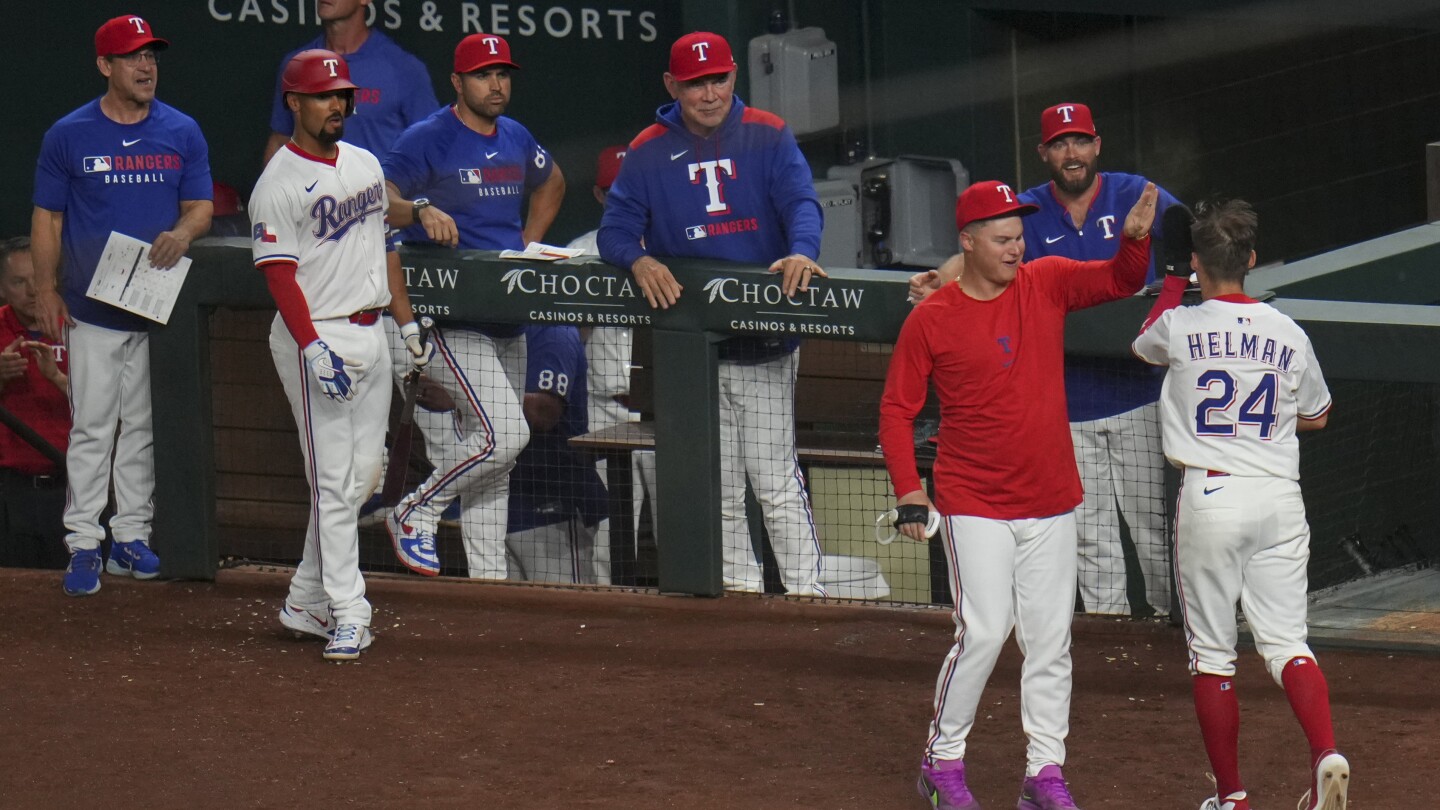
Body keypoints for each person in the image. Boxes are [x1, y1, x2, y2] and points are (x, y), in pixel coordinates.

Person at [882, 179, 1158, 810]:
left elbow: (1119, 280)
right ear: (968, 242)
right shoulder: (932, 319)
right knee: (984, 632)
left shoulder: (1047, 281)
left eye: (1019, 237)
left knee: (1049, 639)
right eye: (1002, 239)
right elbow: (896, 411)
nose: (1016, 248)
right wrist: (909, 491)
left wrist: (1134, 242)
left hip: (1051, 499)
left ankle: (1044, 771)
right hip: (973, 501)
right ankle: (942, 760)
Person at [911, 103, 1181, 617]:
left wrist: (1193, 284)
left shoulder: (1134, 192)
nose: (1070, 152)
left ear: (1096, 145)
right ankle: (1106, 638)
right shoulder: (1029, 209)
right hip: (1069, 404)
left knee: (1154, 527)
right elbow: (978, 249)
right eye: (1059, 144)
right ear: (1043, 153)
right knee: (1092, 538)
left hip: (1140, 394)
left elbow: (1192, 235)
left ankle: (1173, 627)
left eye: (1079, 141)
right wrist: (940, 278)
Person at [1132, 200, 1348, 810]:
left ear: (1198, 263)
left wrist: (1172, 278)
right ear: (1251, 259)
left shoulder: (1180, 324)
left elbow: (1142, 344)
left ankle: (1233, 798)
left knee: (1212, 656)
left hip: (1213, 496)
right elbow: (1318, 415)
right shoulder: (1289, 331)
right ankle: (1325, 752)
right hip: (1279, 496)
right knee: (1288, 644)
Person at [597, 31, 828, 596]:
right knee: (719, 487)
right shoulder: (648, 148)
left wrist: (803, 250)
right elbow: (614, 231)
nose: (709, 93)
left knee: (773, 483)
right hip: (691, 350)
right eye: (695, 83)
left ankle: (809, 597)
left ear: (733, 77)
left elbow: (802, 202)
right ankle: (741, 597)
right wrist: (639, 259)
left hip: (763, 342)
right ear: (672, 85)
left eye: (718, 79)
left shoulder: (768, 133)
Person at [250, 49, 429, 661]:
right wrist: (313, 348)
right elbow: (279, 276)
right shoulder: (277, 182)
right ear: (294, 102)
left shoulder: (364, 162)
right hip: (317, 336)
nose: (337, 105)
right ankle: (350, 610)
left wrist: (405, 325)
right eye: (324, 95)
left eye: (342, 95)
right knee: (331, 481)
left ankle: (305, 597)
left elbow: (386, 246)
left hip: (372, 330)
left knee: (361, 479)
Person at [32, 14, 213, 596]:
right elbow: (48, 217)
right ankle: (83, 542)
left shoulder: (181, 129)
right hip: (91, 308)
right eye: (133, 57)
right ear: (104, 65)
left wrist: (183, 233)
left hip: (156, 308)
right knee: (92, 427)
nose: (146, 66)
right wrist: (45, 288)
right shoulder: (70, 133)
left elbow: (201, 206)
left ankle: (130, 536)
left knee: (143, 427)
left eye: (151, 56)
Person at [381, 33, 565, 580]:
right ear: (457, 82)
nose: (496, 84)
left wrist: (527, 244)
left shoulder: (516, 136)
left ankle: (489, 583)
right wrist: (419, 209)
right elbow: (379, 200)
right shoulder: (428, 137)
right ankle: (416, 510)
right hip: (452, 316)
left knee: (497, 461)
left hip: (507, 316)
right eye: (483, 74)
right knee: (506, 437)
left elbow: (552, 181)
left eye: (502, 73)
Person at [567, 144, 635, 584]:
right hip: (602, 410)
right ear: (598, 195)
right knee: (608, 534)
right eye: (614, 191)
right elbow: (561, 343)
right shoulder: (578, 254)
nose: (624, 199)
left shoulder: (673, 246)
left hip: (668, 414)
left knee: (682, 523)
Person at [262, 0, 437, 164]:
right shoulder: (297, 64)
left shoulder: (404, 68)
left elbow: (430, 148)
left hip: (378, 186)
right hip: (313, 187)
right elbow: (281, 140)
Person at [504, 324, 608, 583]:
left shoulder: (553, 331)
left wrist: (470, 400)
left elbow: (542, 411)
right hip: (500, 504)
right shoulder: (497, 330)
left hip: (554, 502)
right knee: (506, 607)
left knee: (565, 605)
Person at [0, 237, 71, 570]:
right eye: (19, 282)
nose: (32, 291)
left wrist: (56, 377)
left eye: (38, 279)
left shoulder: (78, 325)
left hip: (75, 487)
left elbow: (108, 404)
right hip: (10, 491)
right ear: (2, 289)